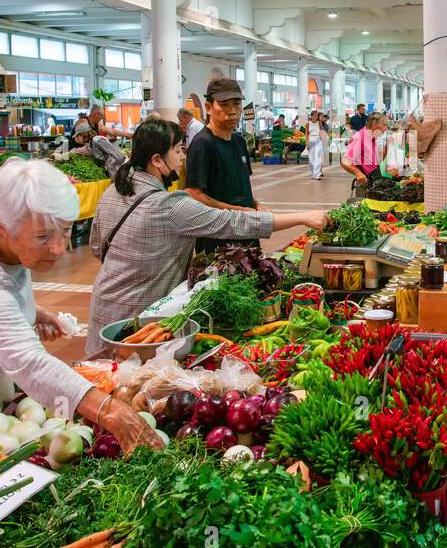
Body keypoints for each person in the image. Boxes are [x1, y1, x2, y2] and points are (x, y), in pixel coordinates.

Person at [0, 158, 159, 450]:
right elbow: (30, 363)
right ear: (3, 228)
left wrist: (30, 313)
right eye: (43, 236)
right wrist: (112, 412)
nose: (59, 248)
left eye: (65, 230)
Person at [87, 119, 327, 355]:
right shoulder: (169, 205)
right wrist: (302, 217)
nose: (183, 157)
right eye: (178, 150)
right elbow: (232, 223)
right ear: (157, 160)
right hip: (141, 324)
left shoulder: (112, 191)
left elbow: (97, 247)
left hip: (104, 310)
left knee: (103, 375)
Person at [185, 77, 260, 252]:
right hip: (218, 239)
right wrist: (237, 211)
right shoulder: (203, 143)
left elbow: (240, 188)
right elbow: (194, 194)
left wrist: (256, 206)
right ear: (209, 107)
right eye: (224, 105)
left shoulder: (239, 141)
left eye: (236, 104)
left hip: (246, 231)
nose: (232, 111)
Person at [341, 112, 389, 198]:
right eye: (384, 125)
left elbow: (377, 161)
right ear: (374, 124)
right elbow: (345, 161)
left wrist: (387, 149)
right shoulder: (360, 137)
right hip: (368, 183)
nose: (386, 128)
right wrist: (358, 172)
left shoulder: (372, 137)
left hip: (375, 179)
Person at [306, 110, 326, 181]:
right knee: (311, 158)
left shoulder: (319, 123)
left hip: (318, 140)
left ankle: (317, 174)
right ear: (311, 116)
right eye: (314, 115)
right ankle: (313, 173)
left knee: (318, 157)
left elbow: (321, 132)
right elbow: (307, 134)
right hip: (311, 140)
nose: (315, 117)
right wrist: (307, 143)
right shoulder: (308, 124)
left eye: (316, 115)